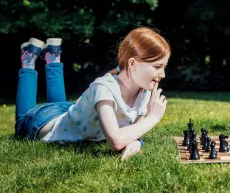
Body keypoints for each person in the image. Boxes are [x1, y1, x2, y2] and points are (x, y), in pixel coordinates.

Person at [15, 27, 170, 160]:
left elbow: (135, 131)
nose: (163, 74)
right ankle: (28, 61)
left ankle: (53, 58)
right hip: (45, 120)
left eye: (164, 67)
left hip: (70, 112)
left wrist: (135, 142)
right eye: (157, 66)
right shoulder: (104, 87)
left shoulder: (144, 92)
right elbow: (115, 141)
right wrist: (153, 118)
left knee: (66, 116)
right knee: (22, 122)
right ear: (133, 64)